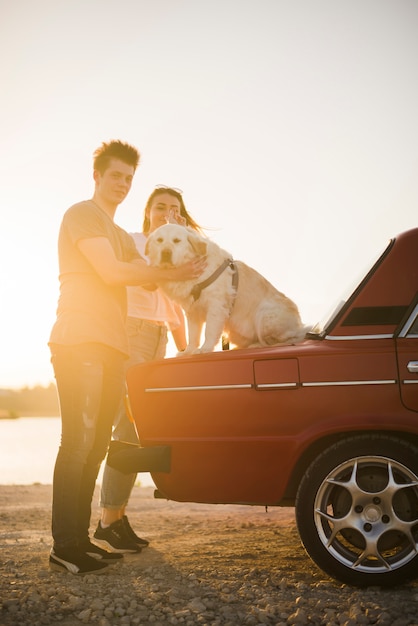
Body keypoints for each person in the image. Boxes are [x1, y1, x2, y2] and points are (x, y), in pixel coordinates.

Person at [48, 141, 206, 574]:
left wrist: (176, 241)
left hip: (114, 346)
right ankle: (65, 544)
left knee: (97, 446)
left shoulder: (121, 235)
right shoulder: (83, 214)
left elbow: (153, 281)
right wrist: (168, 271)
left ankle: (82, 539)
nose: (122, 184)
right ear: (97, 176)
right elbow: (114, 273)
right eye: (116, 175)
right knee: (77, 444)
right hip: (79, 340)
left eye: (128, 178)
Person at [94, 186, 203, 553]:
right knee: (126, 424)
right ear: (147, 211)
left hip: (158, 339)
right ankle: (109, 520)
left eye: (174, 208)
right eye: (160, 207)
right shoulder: (137, 241)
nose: (167, 213)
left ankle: (116, 518)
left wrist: (187, 349)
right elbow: (149, 278)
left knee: (138, 429)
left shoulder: (178, 247)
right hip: (133, 333)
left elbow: (174, 309)